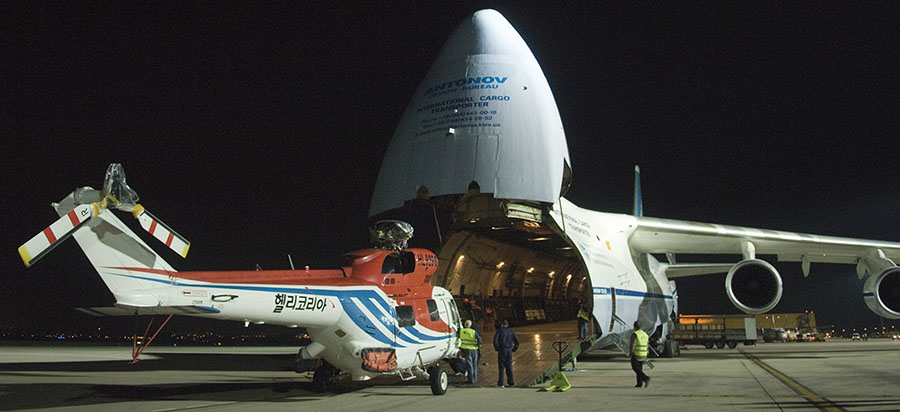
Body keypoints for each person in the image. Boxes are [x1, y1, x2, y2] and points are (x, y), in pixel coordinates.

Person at [493, 319, 519, 387]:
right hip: (509, 350)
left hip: (502, 349)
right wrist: (514, 349)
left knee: (501, 367)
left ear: (502, 325)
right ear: (507, 325)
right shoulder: (511, 332)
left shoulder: (499, 331)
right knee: (509, 366)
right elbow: (517, 342)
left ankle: (501, 382)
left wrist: (497, 348)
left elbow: (495, 340)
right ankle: (511, 382)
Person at [629, 320, 650, 387]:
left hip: (637, 354)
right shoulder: (645, 334)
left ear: (634, 327)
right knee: (639, 368)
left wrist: (630, 352)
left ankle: (645, 378)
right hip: (643, 354)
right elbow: (647, 344)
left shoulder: (635, 334)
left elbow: (632, 344)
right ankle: (639, 383)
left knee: (635, 368)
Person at [459, 319, 480, 385]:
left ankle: (471, 380)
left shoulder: (462, 331)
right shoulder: (473, 332)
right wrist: (478, 345)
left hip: (466, 350)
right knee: (474, 364)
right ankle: (474, 379)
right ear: (470, 325)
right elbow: (479, 339)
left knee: (469, 365)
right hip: (474, 349)